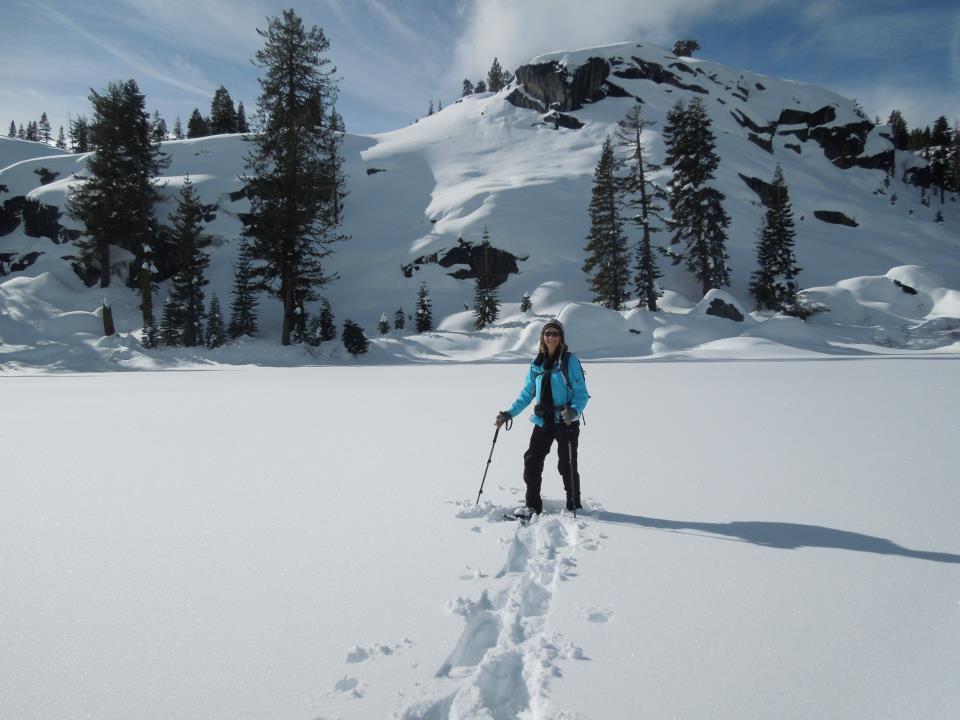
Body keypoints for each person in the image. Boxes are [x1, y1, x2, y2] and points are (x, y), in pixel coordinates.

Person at [496, 319, 589, 514]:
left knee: (567, 465)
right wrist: (508, 413)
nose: (551, 337)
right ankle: (532, 505)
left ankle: (574, 505)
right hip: (543, 421)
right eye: (548, 334)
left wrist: (573, 410)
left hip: (566, 421)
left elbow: (581, 393)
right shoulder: (536, 364)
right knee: (532, 461)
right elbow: (526, 394)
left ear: (561, 338)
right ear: (542, 337)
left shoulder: (570, 361)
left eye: (555, 334)